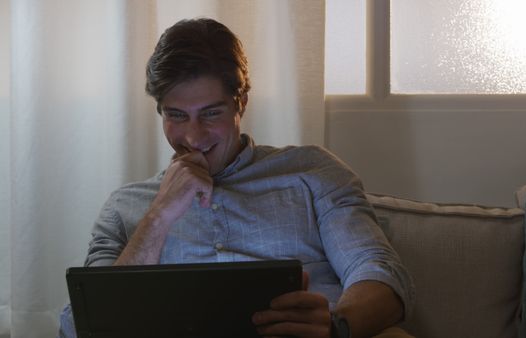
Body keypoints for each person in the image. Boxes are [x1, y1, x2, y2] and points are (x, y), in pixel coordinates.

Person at [59, 18, 414, 338]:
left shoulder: (312, 172)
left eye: (211, 113)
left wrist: (335, 327)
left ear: (241, 101)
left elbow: (382, 275)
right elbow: (80, 325)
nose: (194, 137)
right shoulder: (125, 207)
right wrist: (160, 215)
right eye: (177, 115)